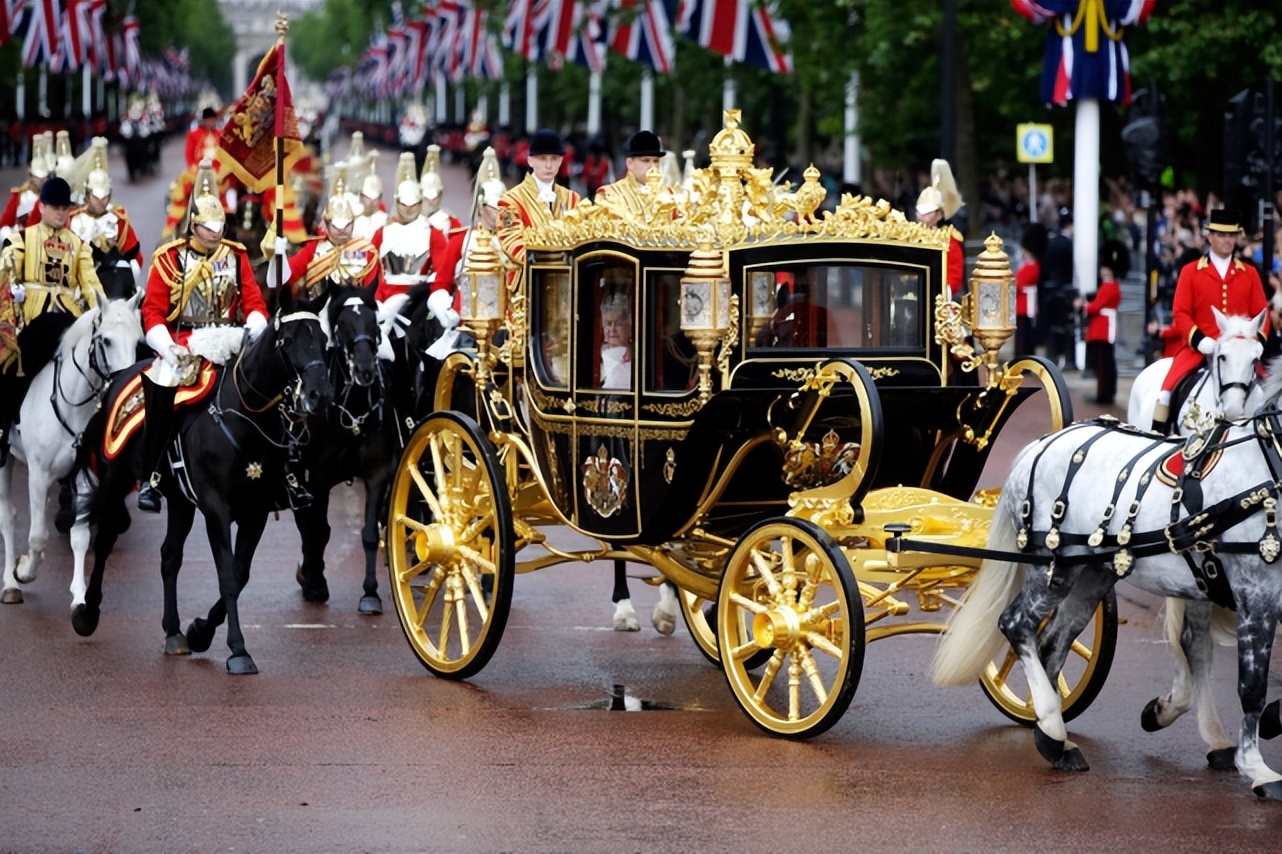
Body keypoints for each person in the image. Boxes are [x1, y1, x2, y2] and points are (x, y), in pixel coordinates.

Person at [136, 159, 278, 512]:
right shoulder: (169, 259)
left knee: (270, 383)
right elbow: (152, 311)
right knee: (161, 388)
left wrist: (254, 327)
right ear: (194, 225)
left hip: (231, 342)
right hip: (184, 346)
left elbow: (255, 302)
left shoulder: (236, 256)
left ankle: (284, 472)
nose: (216, 233)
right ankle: (150, 476)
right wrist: (167, 347)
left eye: (219, 226)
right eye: (208, 227)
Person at [0, 176, 103, 464]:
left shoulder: (79, 245)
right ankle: (2, 428)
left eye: (65, 208)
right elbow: (7, 265)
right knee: (9, 367)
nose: (61, 212)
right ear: (42, 207)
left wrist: (101, 315)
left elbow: (91, 285)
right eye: (55, 207)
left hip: (67, 320)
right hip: (32, 318)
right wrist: (12, 282)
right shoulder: (23, 238)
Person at [1152, 208, 1269, 431]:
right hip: (1199, 349)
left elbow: (1261, 314)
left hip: (1240, 351)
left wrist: (1259, 342)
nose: (1228, 240)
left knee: (1267, 395)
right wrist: (1199, 340)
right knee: (1166, 393)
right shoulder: (1190, 271)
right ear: (1210, 236)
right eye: (1222, 235)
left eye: (1232, 235)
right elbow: (1181, 312)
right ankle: (1159, 438)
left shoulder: (1249, 273)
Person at [266, 165, 383, 304]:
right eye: (336, 226)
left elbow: (373, 289)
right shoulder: (313, 248)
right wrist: (279, 256)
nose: (341, 230)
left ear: (353, 223)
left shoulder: (365, 250)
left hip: (351, 313)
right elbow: (284, 278)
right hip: (317, 314)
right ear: (326, 225)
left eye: (347, 225)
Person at [496, 129, 580, 275]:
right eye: (542, 158)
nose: (549, 165)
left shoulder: (573, 199)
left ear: (560, 161)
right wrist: (547, 263)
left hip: (568, 278)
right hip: (528, 281)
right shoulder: (511, 200)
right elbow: (511, 242)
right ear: (531, 160)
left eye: (554, 158)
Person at [68, 137, 143, 299]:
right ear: (87, 195)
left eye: (105, 196)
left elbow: (136, 257)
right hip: (78, 278)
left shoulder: (118, 219)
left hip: (112, 278)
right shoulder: (73, 219)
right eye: (95, 197)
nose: (101, 201)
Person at [1079, 241, 1126, 406]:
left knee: (1103, 362)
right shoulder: (1111, 285)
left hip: (1102, 327)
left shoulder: (1109, 286)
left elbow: (1096, 306)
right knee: (1105, 361)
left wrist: (1083, 305)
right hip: (1103, 325)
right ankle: (1105, 391)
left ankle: (1104, 393)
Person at [914, 159, 965, 296]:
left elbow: (955, 277)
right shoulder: (910, 236)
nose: (923, 217)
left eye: (928, 213)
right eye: (921, 213)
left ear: (939, 215)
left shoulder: (950, 240)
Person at [1040, 207, 1077, 369]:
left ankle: (1052, 356)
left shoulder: (1050, 241)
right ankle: (1064, 357)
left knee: (1052, 327)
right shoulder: (1068, 244)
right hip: (1063, 290)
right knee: (1064, 327)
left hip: (1049, 290)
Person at [595, 130, 666, 215]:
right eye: (646, 160)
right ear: (630, 163)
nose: (653, 166)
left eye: (656, 161)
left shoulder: (668, 195)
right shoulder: (610, 195)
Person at [0, 130, 53, 240]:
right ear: (31, 176)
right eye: (38, 177)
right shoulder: (20, 196)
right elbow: (4, 224)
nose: (42, 181)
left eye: (45, 177)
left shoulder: (54, 198)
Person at [1015, 223, 1047, 355]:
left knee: (1024, 336)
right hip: (1021, 303)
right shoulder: (1028, 265)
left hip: (1025, 305)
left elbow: (1019, 283)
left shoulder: (1033, 266)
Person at [599, 292, 632, 389]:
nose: (612, 329)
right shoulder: (596, 354)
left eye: (618, 324)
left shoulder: (634, 356)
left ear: (630, 327)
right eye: (608, 324)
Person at [185, 108, 221, 172]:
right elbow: (189, 154)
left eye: (213, 120)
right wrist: (193, 166)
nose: (211, 122)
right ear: (204, 120)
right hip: (200, 167)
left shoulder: (220, 134)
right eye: (209, 120)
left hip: (218, 167)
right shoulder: (193, 134)